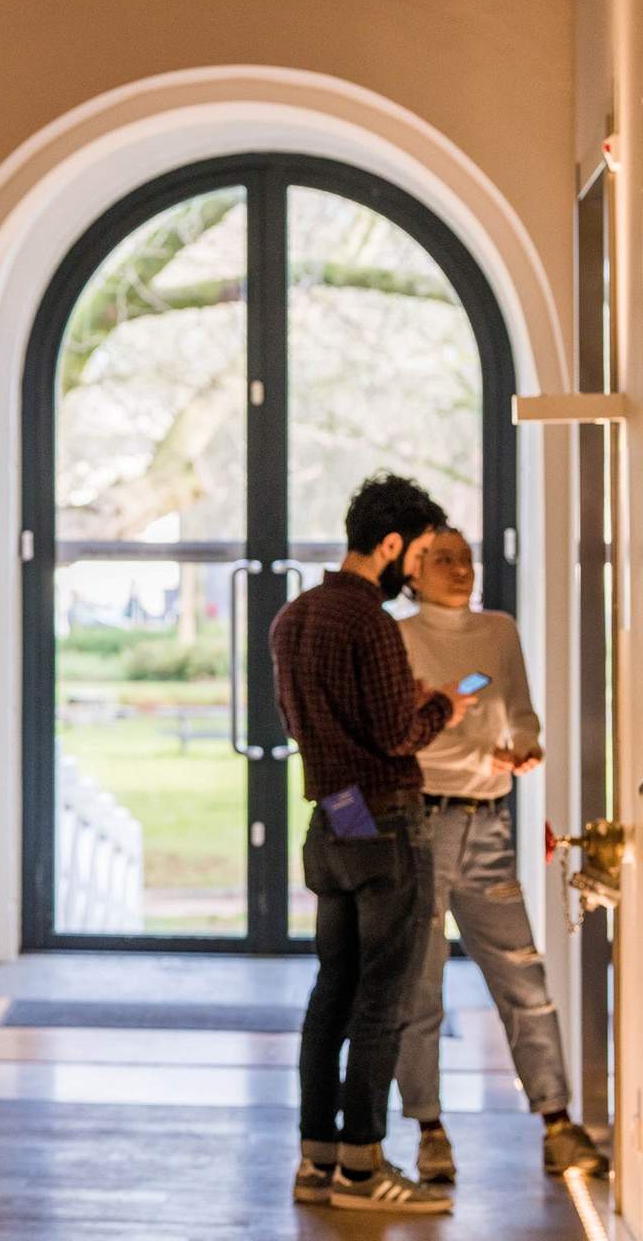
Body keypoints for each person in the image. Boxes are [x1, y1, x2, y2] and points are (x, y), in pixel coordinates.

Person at [272, 473, 477, 1215]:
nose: (417, 569)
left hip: (335, 817)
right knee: (384, 998)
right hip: (386, 820)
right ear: (390, 546)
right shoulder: (371, 624)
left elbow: (304, 723)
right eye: (418, 553)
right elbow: (395, 734)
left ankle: (316, 1162)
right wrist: (442, 708)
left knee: (333, 990)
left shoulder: (294, 617)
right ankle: (363, 1170)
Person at [395, 526, 610, 1183]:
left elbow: (518, 708)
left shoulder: (498, 630)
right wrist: (475, 755)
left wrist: (525, 745)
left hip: (488, 826)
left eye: (467, 559)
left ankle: (557, 1121)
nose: (460, 570)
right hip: (422, 826)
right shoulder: (399, 639)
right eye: (444, 560)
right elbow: (405, 739)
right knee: (420, 988)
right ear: (414, 571)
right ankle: (430, 1129)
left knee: (524, 979)